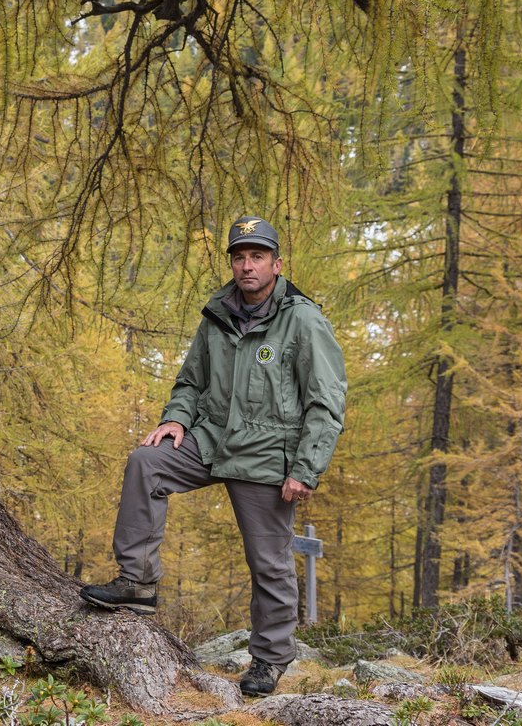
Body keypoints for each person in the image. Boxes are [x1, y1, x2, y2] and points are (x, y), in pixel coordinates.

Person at [79, 215, 347, 697]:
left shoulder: (303, 319)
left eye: (257, 257)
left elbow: (326, 401)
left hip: (269, 455)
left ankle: (269, 660)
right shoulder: (217, 315)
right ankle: (137, 583)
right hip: (211, 440)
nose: (247, 266)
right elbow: (191, 382)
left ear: (276, 264)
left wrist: (306, 468)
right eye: (240, 257)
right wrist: (177, 418)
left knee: (269, 562)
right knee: (148, 461)